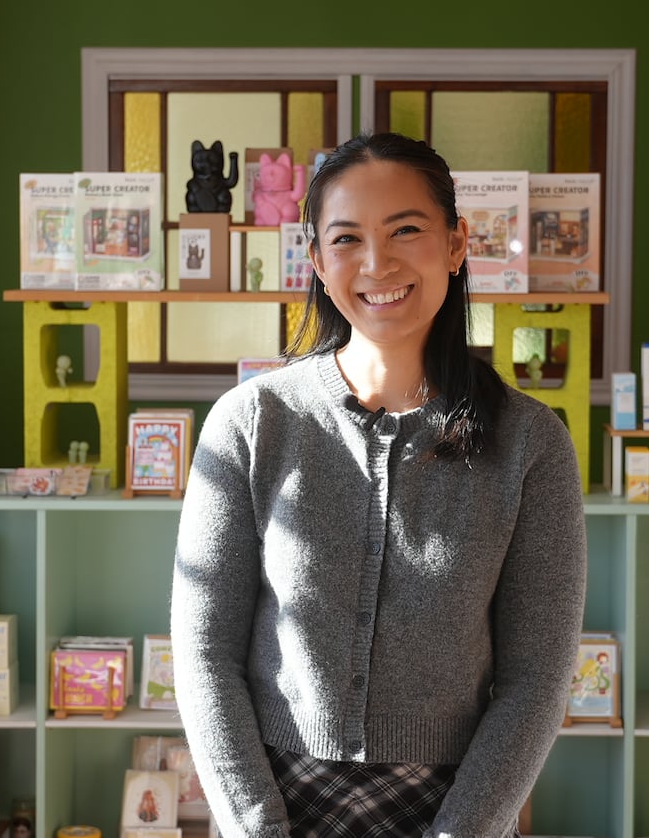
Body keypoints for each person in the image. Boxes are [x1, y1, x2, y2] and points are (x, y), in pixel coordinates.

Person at [171, 132, 587, 838]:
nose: (376, 263)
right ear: (316, 260)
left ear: (457, 245)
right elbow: (203, 654)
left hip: (456, 810)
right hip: (272, 802)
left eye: (405, 230)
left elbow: (535, 681)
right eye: (346, 238)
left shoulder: (532, 444)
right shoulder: (249, 423)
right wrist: (257, 826)